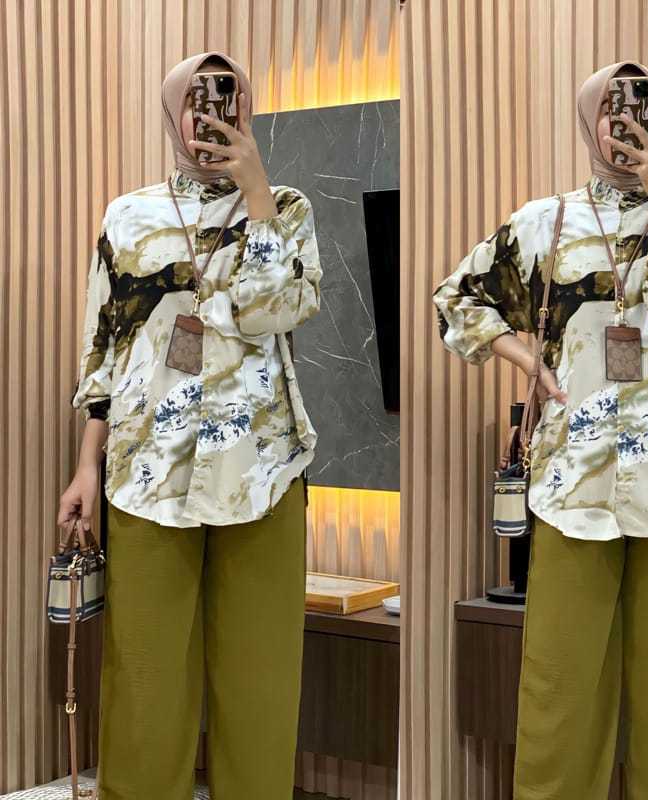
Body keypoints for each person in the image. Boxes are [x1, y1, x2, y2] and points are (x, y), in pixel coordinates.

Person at [432, 59, 648, 799]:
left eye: (642, 106)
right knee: (559, 704)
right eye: (611, 109)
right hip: (574, 482)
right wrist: (522, 357)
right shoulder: (547, 222)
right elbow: (457, 298)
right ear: (587, 121)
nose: (626, 122)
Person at [57, 50, 321, 799]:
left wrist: (256, 190)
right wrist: (86, 466)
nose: (211, 119)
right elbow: (104, 349)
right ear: (173, 113)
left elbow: (278, 309)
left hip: (263, 470)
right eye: (197, 103)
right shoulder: (128, 216)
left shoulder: (287, 206)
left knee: (260, 683)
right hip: (147, 469)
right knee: (144, 682)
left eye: (226, 101)